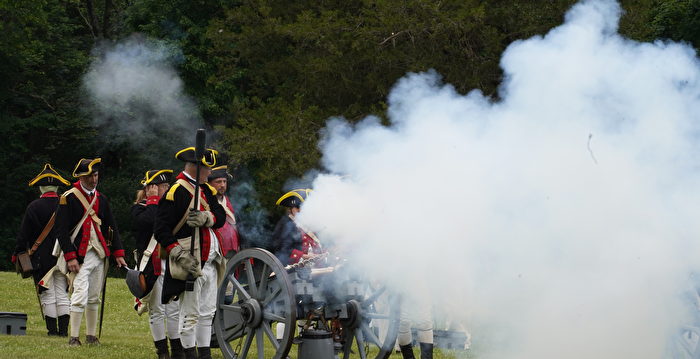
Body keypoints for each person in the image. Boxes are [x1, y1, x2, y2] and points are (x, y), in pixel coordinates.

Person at [154, 147, 226, 359]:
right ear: (195, 167)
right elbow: (161, 229)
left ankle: (204, 354)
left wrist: (208, 218)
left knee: (207, 312)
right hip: (191, 260)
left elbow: (220, 217)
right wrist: (178, 253)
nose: (209, 173)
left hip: (211, 260)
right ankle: (190, 354)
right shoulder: (176, 191)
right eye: (206, 168)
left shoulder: (207, 190)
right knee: (190, 314)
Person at [55, 158, 127, 346]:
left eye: (95, 175)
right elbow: (61, 231)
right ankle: (73, 337)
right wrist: (70, 257)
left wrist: (118, 252)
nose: (94, 179)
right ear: (81, 177)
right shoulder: (68, 197)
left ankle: (91, 336)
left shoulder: (101, 199)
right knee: (79, 294)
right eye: (89, 176)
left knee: (94, 295)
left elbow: (111, 226)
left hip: (99, 253)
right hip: (79, 256)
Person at [12, 164, 72, 336]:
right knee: (62, 292)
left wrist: (17, 253)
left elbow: (24, 234)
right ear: (56, 187)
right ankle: (63, 332)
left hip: (40, 258)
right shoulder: (66, 204)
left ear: (41, 187)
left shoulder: (34, 207)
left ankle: (52, 331)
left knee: (47, 293)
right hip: (63, 256)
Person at [132, 169, 185, 359]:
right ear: (149, 189)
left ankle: (178, 351)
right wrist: (153, 200)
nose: (166, 189)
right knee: (156, 311)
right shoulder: (140, 208)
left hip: (171, 264)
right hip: (150, 266)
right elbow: (150, 223)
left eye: (165, 186)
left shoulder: (172, 207)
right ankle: (162, 352)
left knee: (173, 310)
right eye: (161, 186)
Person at [271, 188, 322, 266]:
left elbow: (317, 244)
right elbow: (282, 249)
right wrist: (303, 256)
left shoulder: (309, 223)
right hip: (291, 268)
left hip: (312, 268)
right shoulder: (286, 224)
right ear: (294, 209)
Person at [207, 165, 240, 259]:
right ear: (209, 184)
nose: (222, 185)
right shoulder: (206, 203)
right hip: (215, 253)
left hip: (233, 253)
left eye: (224, 181)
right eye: (218, 182)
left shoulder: (230, 202)